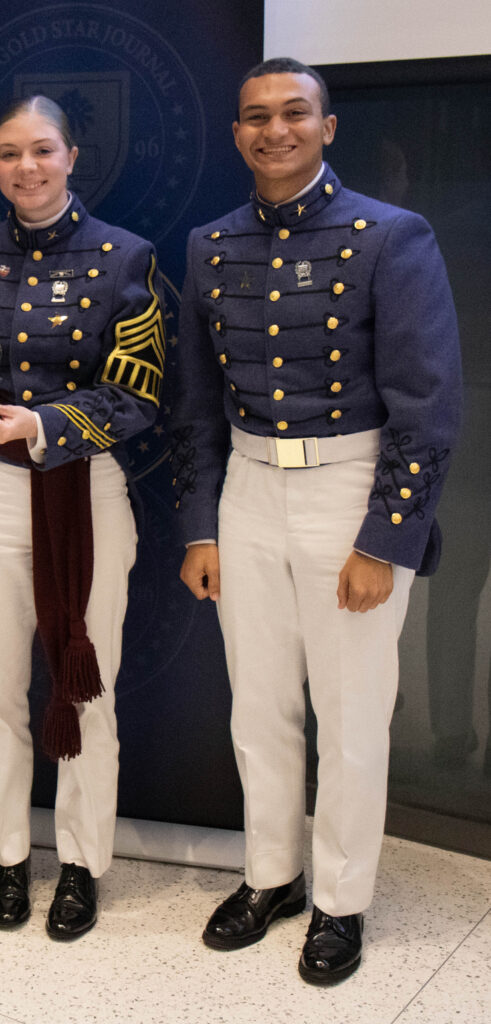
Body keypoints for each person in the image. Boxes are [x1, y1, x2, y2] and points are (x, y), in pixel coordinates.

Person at [170, 58, 461, 984]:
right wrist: (201, 528)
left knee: (350, 718)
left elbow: (428, 408)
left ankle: (339, 901)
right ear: (236, 135)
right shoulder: (210, 245)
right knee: (257, 709)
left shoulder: (390, 236)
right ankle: (271, 875)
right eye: (255, 116)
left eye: (294, 112)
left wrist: (384, 540)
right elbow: (195, 406)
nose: (275, 130)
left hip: (350, 490)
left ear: (327, 127)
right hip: (248, 491)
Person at [0, 95, 164, 939]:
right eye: (7, 153)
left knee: (85, 690)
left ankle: (82, 865)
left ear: (71, 156)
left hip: (84, 489)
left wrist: (46, 426)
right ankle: (9, 858)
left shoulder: (126, 257)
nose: (25, 167)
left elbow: (139, 396)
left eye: (42, 150)